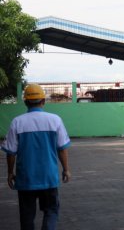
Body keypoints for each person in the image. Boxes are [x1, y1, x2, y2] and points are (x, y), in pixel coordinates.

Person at [1, 84, 71, 230]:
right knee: (51, 211)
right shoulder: (55, 120)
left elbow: (11, 152)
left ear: (25, 102)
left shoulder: (17, 122)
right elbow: (62, 149)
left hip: (26, 179)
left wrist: (9, 173)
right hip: (49, 178)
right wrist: (66, 169)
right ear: (43, 101)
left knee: (27, 216)